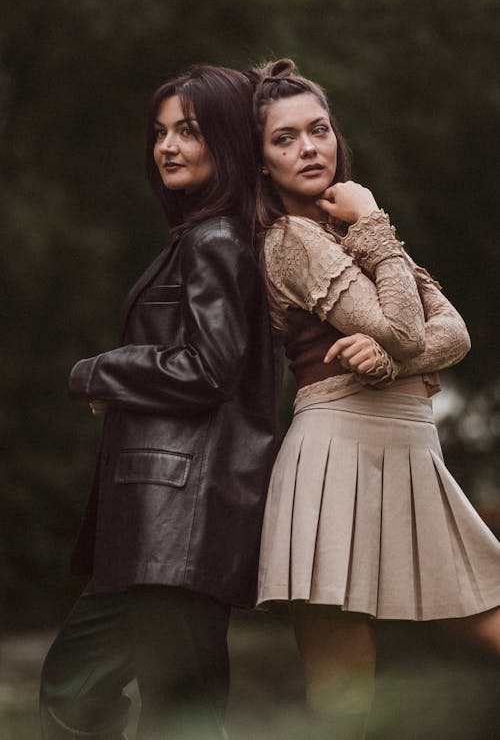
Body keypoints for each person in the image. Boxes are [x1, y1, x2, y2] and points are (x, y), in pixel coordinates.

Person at [249, 59, 500, 739]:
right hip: (336, 448)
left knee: (487, 611)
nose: (310, 147)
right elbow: (403, 321)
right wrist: (376, 227)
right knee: (342, 694)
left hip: (413, 447)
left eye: (320, 129)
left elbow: (454, 332)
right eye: (285, 138)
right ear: (261, 161)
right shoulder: (290, 239)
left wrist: (391, 352)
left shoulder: (354, 229)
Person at [39, 65, 277, 740]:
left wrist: (100, 371)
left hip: (181, 523)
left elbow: (210, 367)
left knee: (173, 713)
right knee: (90, 692)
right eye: (160, 131)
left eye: (190, 131)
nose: (167, 146)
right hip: (157, 526)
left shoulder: (218, 240)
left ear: (228, 142)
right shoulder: (203, 237)